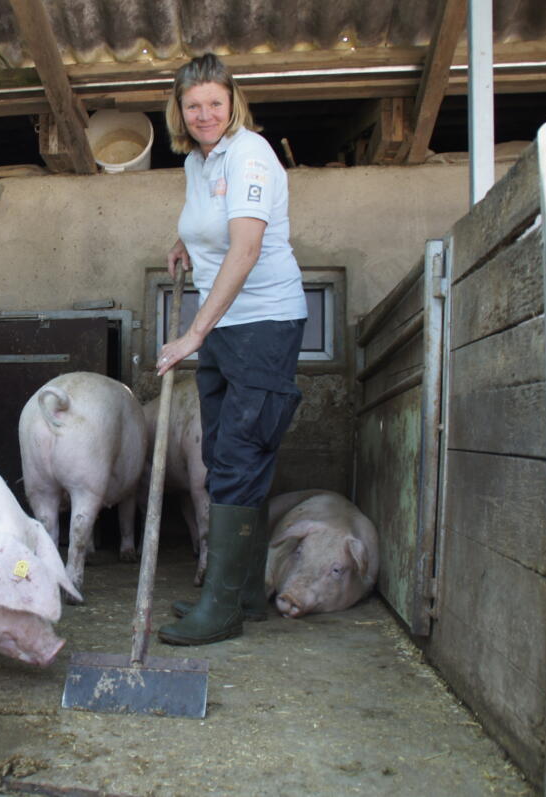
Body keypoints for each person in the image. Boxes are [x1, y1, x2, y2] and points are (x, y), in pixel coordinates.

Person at [154, 53, 307, 646]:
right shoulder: (200, 160)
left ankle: (221, 609)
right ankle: (242, 592)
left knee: (243, 452)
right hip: (225, 325)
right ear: (180, 110)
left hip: (262, 325)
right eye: (193, 105)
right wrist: (184, 241)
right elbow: (214, 223)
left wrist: (193, 333)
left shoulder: (250, 154)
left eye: (215, 102)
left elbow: (245, 248)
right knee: (222, 453)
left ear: (233, 102)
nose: (204, 114)